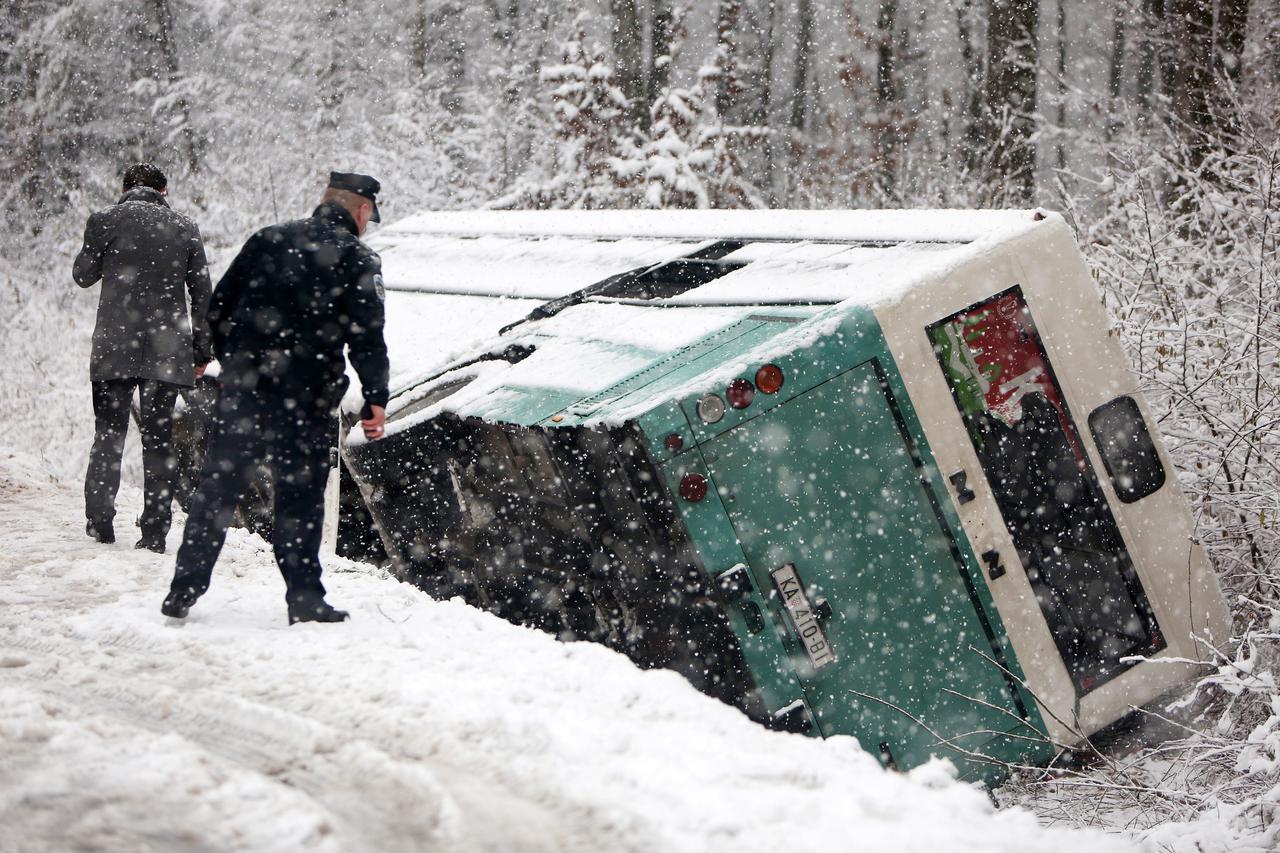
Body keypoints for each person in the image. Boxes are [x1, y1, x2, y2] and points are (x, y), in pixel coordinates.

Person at [161, 171, 390, 625]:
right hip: (306, 399)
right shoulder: (356, 258)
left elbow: (218, 307)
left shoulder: (267, 240)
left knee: (218, 490)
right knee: (299, 498)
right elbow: (366, 336)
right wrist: (375, 396)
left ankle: (183, 589)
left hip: (244, 393)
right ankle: (305, 599)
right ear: (361, 211)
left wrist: (240, 365)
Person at [73, 162, 212, 553]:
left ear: (124, 187)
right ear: (164, 191)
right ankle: (154, 533)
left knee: (109, 434)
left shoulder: (104, 220)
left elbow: (83, 275)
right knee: (159, 440)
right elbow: (202, 296)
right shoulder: (185, 228)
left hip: (115, 346)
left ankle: (100, 522)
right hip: (167, 351)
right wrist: (202, 352)